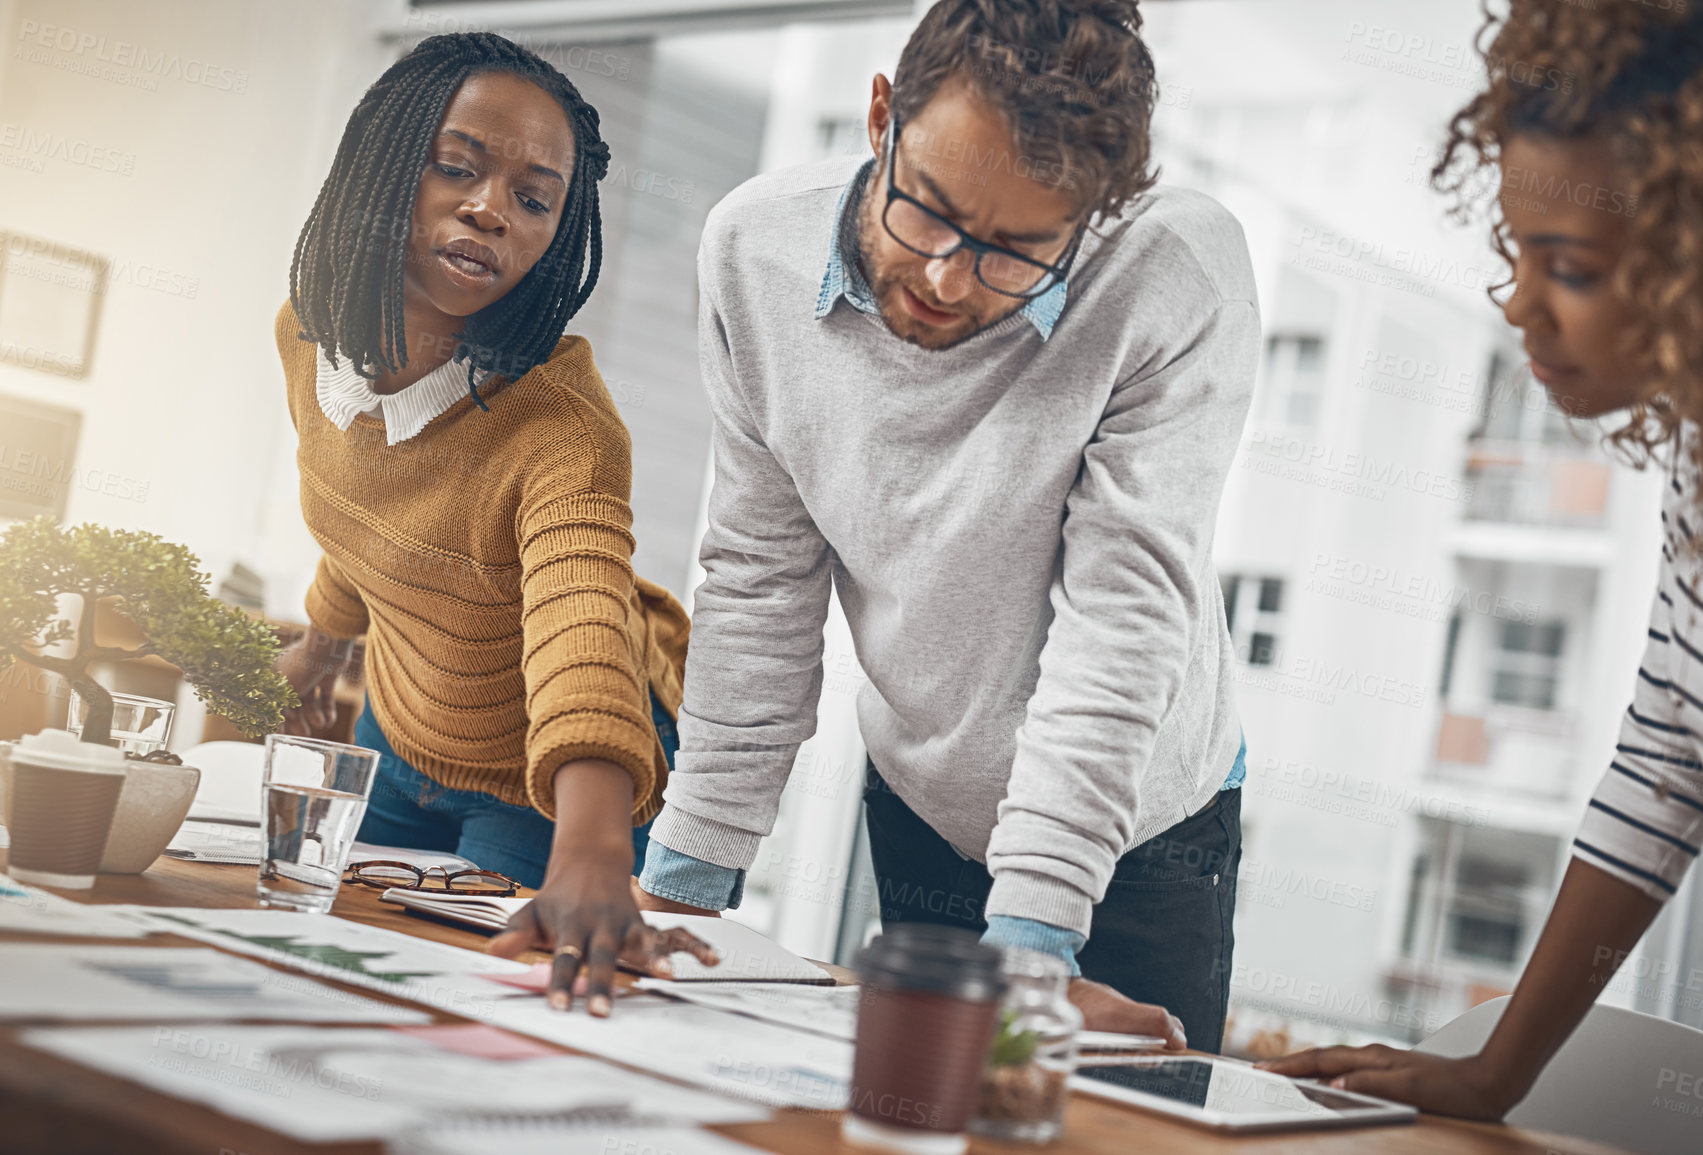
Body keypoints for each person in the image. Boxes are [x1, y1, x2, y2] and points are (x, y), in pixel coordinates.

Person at [631, 0, 1259, 1051]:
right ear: (881, 117)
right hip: (925, 791)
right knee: (913, 1104)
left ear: (1096, 216)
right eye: (925, 211)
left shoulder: (1175, 277)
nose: (944, 279)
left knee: (1095, 1120)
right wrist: (681, 898)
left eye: (1016, 253)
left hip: (1141, 828)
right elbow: (756, 583)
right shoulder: (753, 249)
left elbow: (1120, 627)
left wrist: (1030, 955)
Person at [1263, 0, 1703, 1116]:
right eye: (1521, 253)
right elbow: (1669, 759)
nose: (1519, 306)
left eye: (1568, 266)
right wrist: (1497, 1073)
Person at [273, 31, 714, 1016]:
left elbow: (580, 621)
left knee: (484, 1013)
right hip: (400, 730)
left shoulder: (563, 427)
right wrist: (320, 649)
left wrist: (594, 849)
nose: (489, 210)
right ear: (385, 166)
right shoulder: (306, 335)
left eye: (533, 198)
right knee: (329, 979)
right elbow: (363, 514)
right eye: (458, 169)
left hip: (553, 781)